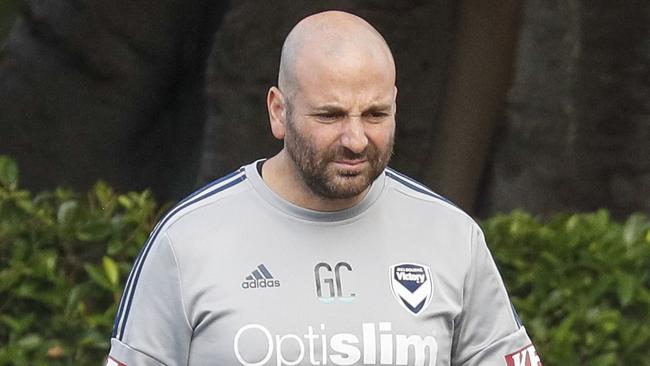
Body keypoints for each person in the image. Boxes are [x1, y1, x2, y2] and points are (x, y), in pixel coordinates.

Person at [106, 10, 542, 366]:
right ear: (279, 112)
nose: (355, 139)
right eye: (330, 116)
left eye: (375, 114)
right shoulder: (187, 241)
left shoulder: (451, 237)